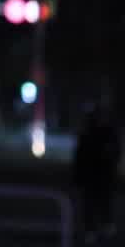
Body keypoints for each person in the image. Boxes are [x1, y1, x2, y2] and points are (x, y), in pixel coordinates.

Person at [74, 104, 122, 243]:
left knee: (101, 203)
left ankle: (102, 228)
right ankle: (96, 230)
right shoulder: (91, 133)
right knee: (93, 204)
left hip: (101, 174)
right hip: (95, 175)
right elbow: (80, 157)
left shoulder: (105, 133)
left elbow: (115, 154)